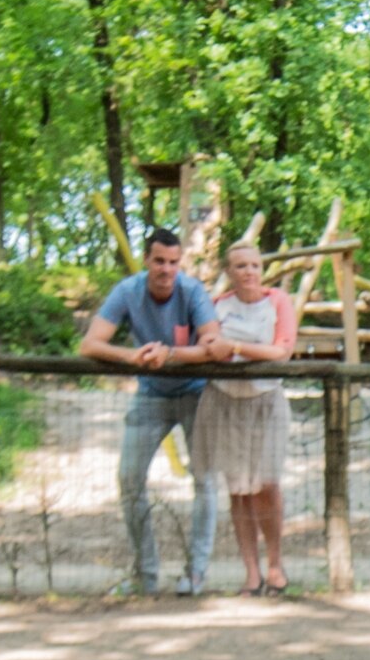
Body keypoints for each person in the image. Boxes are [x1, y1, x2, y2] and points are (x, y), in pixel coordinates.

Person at [80, 227, 220, 596]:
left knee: (205, 481)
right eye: (159, 261)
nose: (166, 269)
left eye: (174, 262)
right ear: (146, 260)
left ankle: (196, 573)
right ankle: (146, 573)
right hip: (150, 394)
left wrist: (171, 354)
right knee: (128, 480)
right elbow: (90, 343)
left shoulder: (193, 291)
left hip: (196, 394)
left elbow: (214, 344)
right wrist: (131, 356)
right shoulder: (127, 291)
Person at [189, 240, 299, 595]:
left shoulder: (278, 301)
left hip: (266, 401)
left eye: (254, 265)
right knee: (238, 490)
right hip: (225, 402)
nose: (248, 272)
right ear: (228, 272)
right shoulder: (217, 306)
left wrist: (236, 348)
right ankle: (251, 573)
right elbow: (208, 346)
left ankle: (276, 565)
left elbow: (282, 350)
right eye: (240, 266)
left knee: (267, 484)